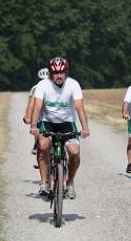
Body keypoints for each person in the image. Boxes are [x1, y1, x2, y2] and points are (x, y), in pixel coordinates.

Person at [30, 57, 90, 199]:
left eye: (62, 72)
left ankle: (69, 183)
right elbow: (37, 107)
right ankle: (44, 182)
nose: (59, 75)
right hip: (48, 122)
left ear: (66, 73)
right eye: (55, 73)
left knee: (74, 152)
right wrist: (33, 126)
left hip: (67, 123)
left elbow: (79, 108)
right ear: (51, 73)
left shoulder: (73, 84)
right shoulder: (43, 85)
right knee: (43, 146)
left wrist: (85, 128)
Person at [23, 68, 49, 157]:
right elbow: (30, 104)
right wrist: (28, 116)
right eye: (42, 81)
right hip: (40, 113)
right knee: (36, 124)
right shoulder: (35, 88)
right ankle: (37, 144)